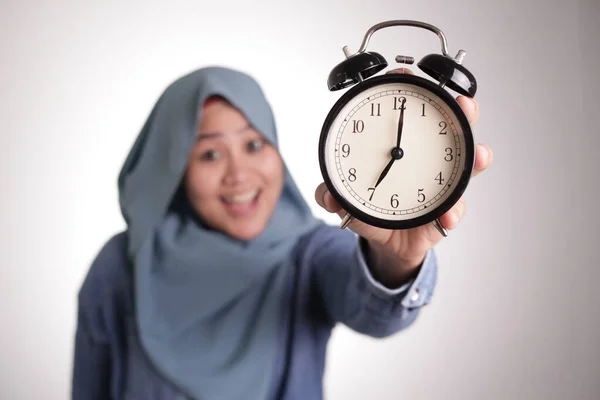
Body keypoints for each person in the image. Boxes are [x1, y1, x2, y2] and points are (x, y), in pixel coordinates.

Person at [71, 66, 491, 400]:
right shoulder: (123, 264)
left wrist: (400, 259)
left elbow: (374, 311)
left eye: (254, 145)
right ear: (174, 168)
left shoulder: (308, 253)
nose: (239, 175)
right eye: (210, 153)